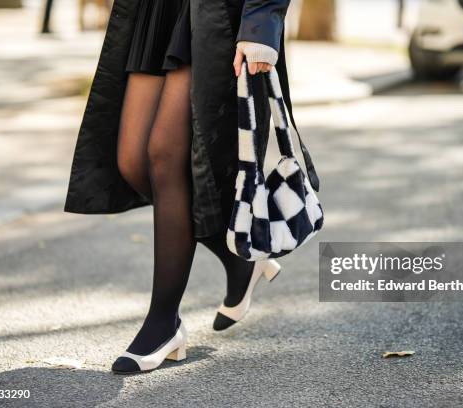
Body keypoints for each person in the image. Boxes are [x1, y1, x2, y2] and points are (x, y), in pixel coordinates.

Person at [64, 0, 294, 374]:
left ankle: (162, 323)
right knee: (132, 162)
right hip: (156, 9)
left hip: (215, 14)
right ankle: (236, 260)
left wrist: (260, 25)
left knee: (165, 155)